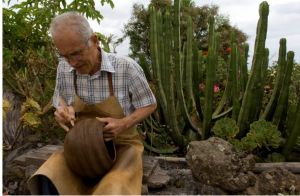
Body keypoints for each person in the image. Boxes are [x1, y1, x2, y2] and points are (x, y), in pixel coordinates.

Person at [28, 11, 157, 195]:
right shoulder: (64, 68)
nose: (72, 63)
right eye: (64, 56)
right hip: (80, 146)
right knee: (49, 175)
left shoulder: (126, 67)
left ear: (94, 41)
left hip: (122, 146)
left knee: (114, 186)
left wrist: (122, 124)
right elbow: (61, 104)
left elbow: (150, 104)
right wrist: (62, 112)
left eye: (76, 54)